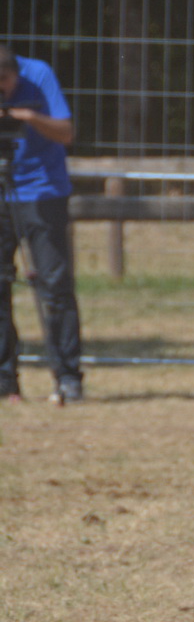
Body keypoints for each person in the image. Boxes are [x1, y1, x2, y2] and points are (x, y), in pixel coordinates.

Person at [0, 47, 82, 402]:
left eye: (4, 83)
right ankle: (6, 380)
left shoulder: (39, 74)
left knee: (54, 284)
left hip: (42, 192)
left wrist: (29, 117)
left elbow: (66, 132)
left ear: (15, 73)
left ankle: (67, 376)